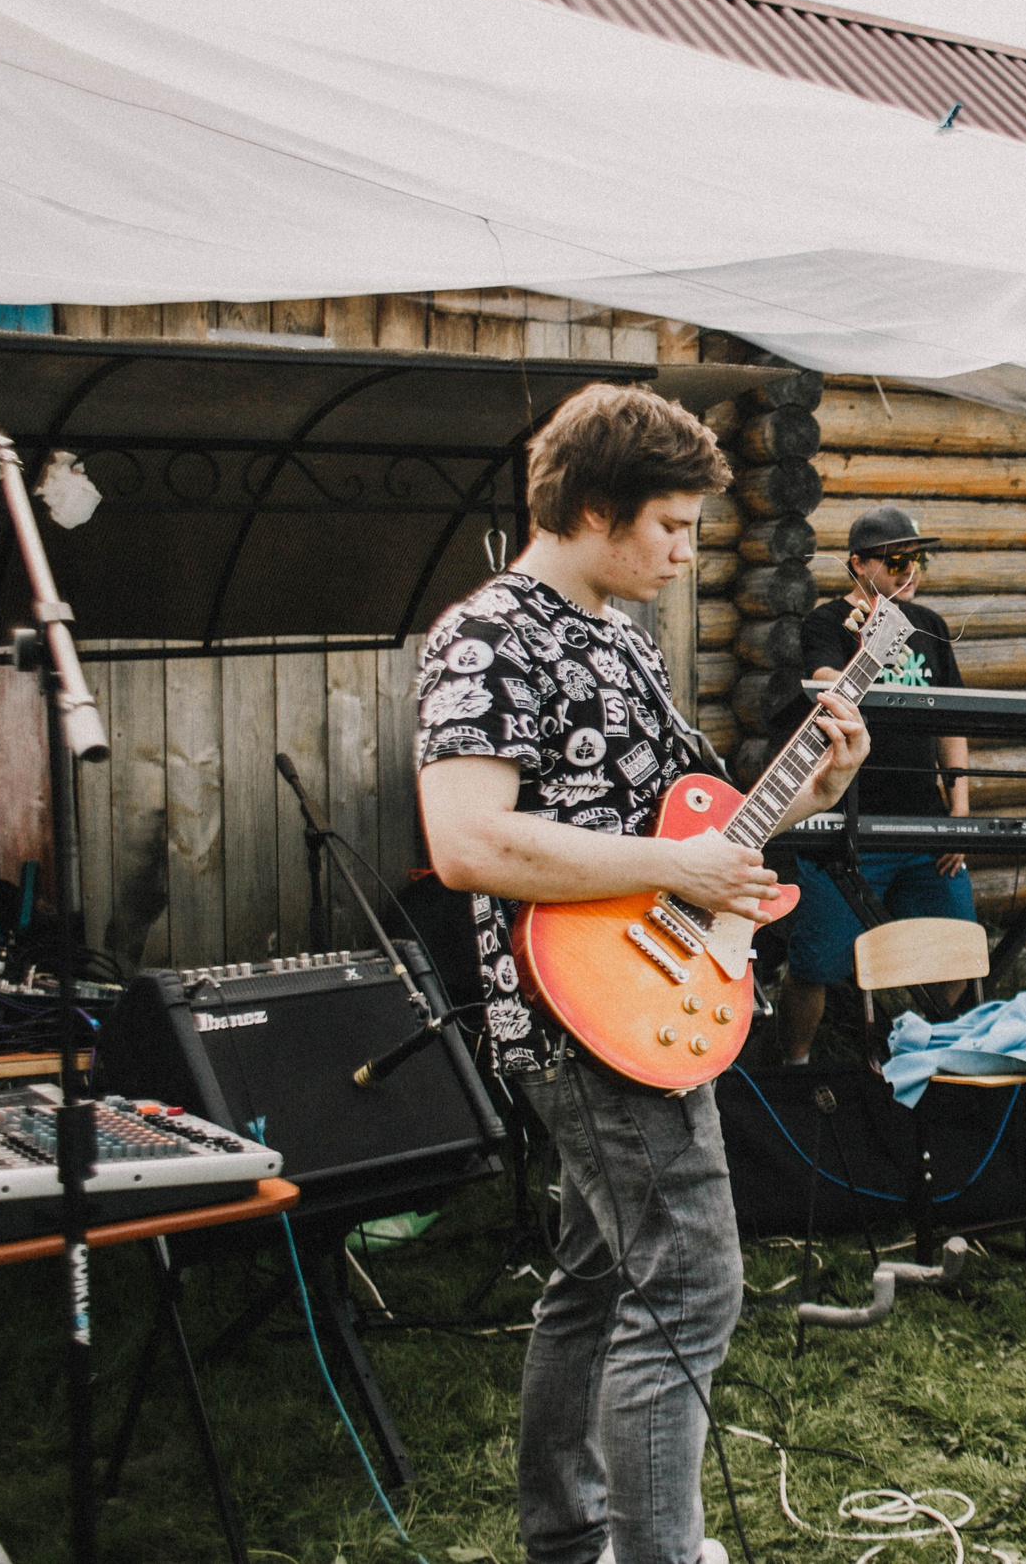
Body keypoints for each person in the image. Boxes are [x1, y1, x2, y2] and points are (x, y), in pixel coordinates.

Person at [415, 383, 868, 1564]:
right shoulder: (486, 638)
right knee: (691, 1287)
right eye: (670, 526)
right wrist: (680, 859)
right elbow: (467, 844)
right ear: (596, 509)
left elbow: (696, 834)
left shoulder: (618, 636)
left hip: (651, 998)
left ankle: (569, 1540)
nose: (684, 552)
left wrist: (806, 792)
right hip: (578, 1014)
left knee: (598, 1282)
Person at [774, 505, 978, 1063]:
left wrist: (958, 808)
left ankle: (910, 1047)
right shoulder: (827, 622)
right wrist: (871, 640)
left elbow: (952, 719)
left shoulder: (932, 626)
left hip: (923, 821)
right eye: (895, 560)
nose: (908, 571)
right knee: (817, 960)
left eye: (917, 559)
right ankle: (796, 1065)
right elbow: (827, 686)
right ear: (858, 565)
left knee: (960, 947)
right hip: (848, 820)